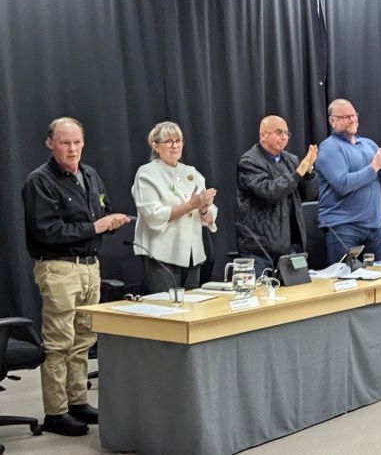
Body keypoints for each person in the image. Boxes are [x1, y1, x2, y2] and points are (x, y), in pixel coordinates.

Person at [22, 117, 131, 435]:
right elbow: (46, 231)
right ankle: (56, 412)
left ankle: (77, 401)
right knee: (59, 342)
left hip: (89, 266)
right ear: (50, 143)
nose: (72, 149)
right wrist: (94, 227)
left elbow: (102, 209)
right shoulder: (39, 181)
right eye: (65, 143)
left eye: (77, 142)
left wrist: (110, 221)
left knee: (84, 339)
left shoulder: (90, 175)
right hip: (58, 267)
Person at [131, 121, 218, 292]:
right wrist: (191, 204)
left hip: (192, 256)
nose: (175, 145)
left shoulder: (191, 173)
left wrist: (203, 209)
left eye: (178, 140)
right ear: (155, 146)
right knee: (166, 306)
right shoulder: (147, 173)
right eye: (169, 141)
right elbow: (153, 215)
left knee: (192, 306)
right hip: (162, 256)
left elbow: (209, 216)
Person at [315, 99, 381, 262]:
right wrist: (374, 166)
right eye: (346, 117)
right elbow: (343, 184)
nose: (352, 120)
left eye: (354, 115)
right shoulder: (329, 148)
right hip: (343, 227)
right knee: (347, 277)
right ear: (332, 121)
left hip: (375, 227)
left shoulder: (369, 144)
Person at [236, 115, 317, 277]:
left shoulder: (291, 160)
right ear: (263, 135)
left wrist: (308, 173)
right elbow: (269, 192)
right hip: (259, 249)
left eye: (287, 133)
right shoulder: (249, 162)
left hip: (290, 246)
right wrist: (298, 173)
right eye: (279, 132)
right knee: (262, 292)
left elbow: (308, 195)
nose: (284, 137)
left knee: (297, 290)